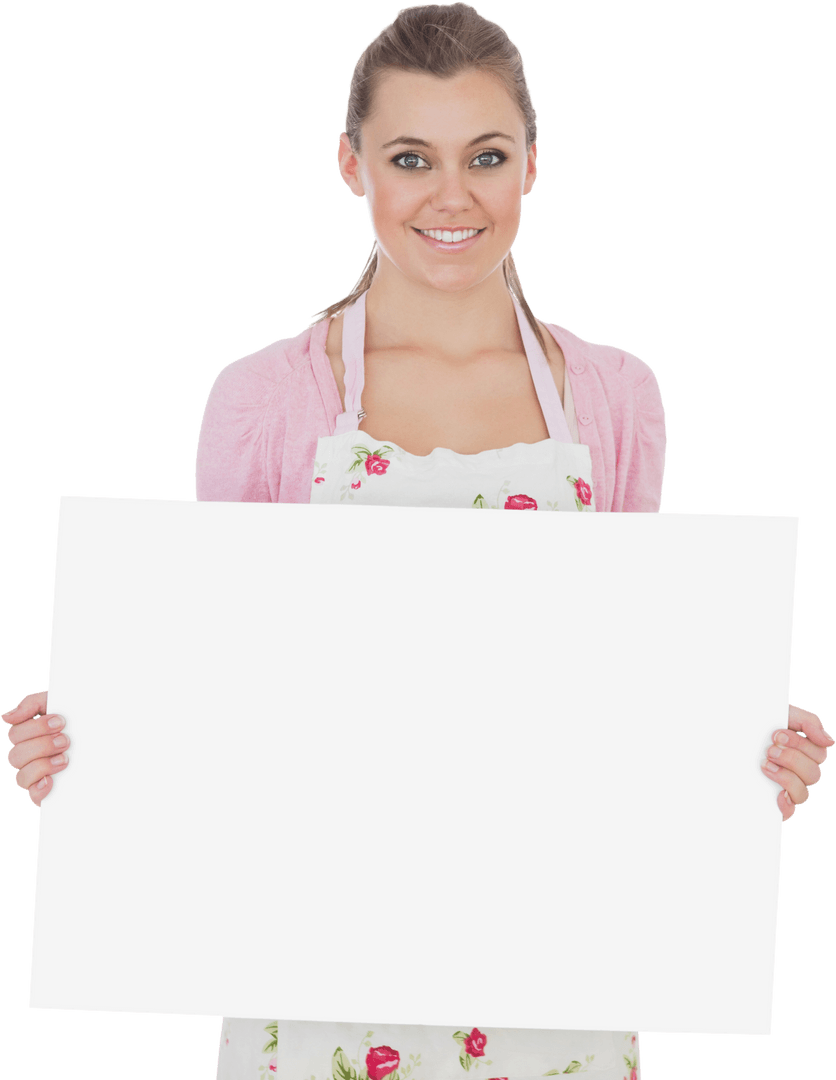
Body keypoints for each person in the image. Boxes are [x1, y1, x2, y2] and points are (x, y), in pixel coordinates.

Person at [3, 4, 832, 1079]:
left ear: (532, 164)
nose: (452, 197)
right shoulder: (261, 399)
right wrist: (93, 755)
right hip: (312, 972)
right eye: (410, 158)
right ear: (351, 165)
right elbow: (210, 689)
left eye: (485, 156)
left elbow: (626, 682)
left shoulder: (615, 398)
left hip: (559, 971)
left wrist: (737, 763)